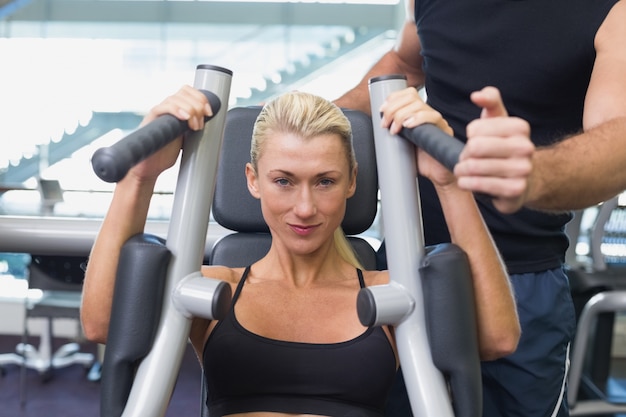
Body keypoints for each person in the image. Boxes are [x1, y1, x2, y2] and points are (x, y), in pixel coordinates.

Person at [81, 86, 524, 417]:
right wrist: (137, 179)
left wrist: (449, 183)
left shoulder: (392, 295)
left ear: (352, 181)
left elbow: (498, 338)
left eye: (325, 181)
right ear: (253, 180)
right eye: (284, 180)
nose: (305, 207)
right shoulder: (213, 290)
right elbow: (101, 323)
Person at [333, 0, 626, 416]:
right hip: (408, 265)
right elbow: (404, 62)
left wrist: (533, 174)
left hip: (522, 281)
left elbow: (618, 139)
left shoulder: (612, 11)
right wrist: (297, 127)